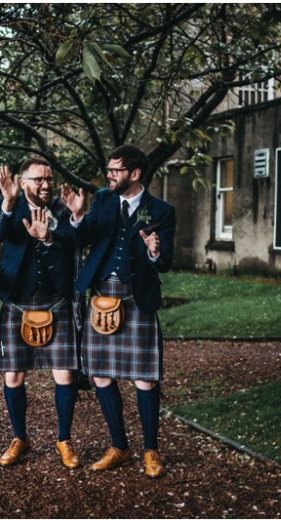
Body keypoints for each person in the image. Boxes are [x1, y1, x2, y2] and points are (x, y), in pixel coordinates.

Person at [61, 144, 176, 477]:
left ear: (135, 174)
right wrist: (78, 215)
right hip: (103, 297)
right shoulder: (104, 200)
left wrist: (155, 252)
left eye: (115, 170)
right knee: (100, 374)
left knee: (145, 379)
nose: (109, 175)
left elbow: (165, 261)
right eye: (109, 170)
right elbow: (83, 238)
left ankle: (151, 450)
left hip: (137, 298)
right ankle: (120, 446)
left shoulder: (162, 210)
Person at [0, 159, 81, 468]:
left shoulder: (62, 208)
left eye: (49, 179)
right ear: (24, 181)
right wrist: (7, 201)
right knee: (13, 375)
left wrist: (47, 238)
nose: (46, 185)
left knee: (65, 374)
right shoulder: (10, 203)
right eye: (39, 179)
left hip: (55, 300)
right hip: (17, 302)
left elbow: (72, 241)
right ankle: (20, 438)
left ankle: (64, 440)